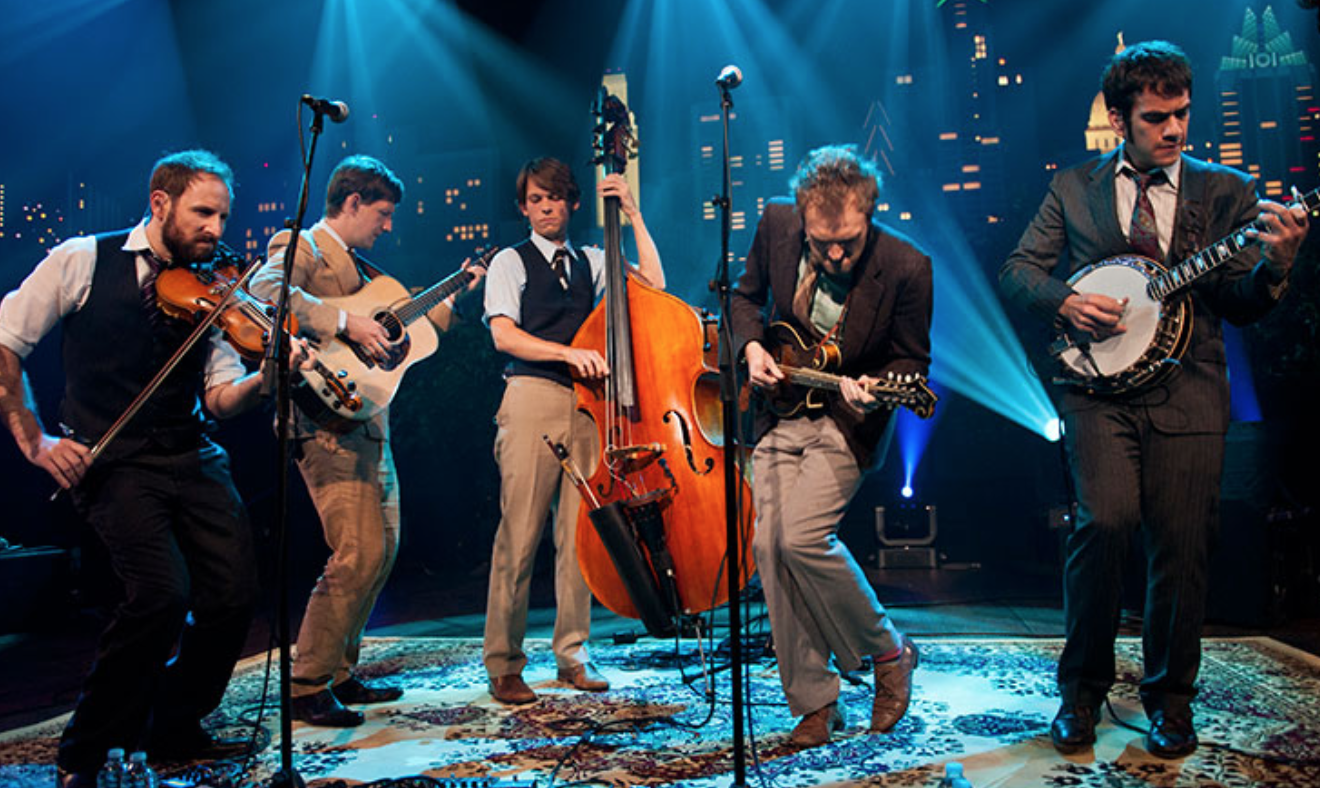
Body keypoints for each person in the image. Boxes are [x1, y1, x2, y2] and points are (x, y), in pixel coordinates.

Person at [999, 41, 1310, 759]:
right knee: (1103, 525)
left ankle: (1171, 700)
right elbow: (1019, 271)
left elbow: (1238, 300)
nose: (1174, 131)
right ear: (1120, 117)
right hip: (1094, 391)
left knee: (1181, 545)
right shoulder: (1072, 187)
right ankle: (1080, 692)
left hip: (1190, 391)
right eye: (1156, 118)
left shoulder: (1223, 191)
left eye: (1182, 115)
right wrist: (1066, 300)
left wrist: (1276, 266)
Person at [0, 150, 303, 786]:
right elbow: (6, 343)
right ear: (160, 203)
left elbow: (221, 395)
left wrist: (268, 376)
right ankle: (85, 749)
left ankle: (175, 723)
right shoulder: (82, 259)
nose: (216, 229)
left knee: (232, 594)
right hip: (113, 458)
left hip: (191, 451)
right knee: (162, 594)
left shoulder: (216, 291)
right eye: (203, 213)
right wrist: (35, 441)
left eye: (223, 215)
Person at [249, 154, 484, 727]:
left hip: (367, 420)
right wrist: (343, 323)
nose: (388, 226)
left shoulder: (358, 266)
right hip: (323, 424)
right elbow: (263, 292)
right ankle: (306, 684)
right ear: (351, 203)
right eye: (381, 213)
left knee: (380, 551)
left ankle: (337, 672)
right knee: (356, 552)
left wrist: (462, 290)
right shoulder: (302, 244)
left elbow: (417, 328)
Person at [728, 145, 929, 747]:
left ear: (870, 215)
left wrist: (876, 395)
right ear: (802, 220)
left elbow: (911, 362)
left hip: (846, 421)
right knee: (768, 546)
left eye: (848, 241)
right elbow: (743, 299)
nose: (836, 254)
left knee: (801, 537)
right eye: (822, 243)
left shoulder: (907, 267)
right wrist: (752, 348)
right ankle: (815, 702)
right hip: (777, 412)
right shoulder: (776, 224)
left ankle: (888, 651)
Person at [481, 157, 664, 704]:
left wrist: (631, 213)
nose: (545, 208)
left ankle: (573, 653)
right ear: (523, 208)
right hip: (532, 397)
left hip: (587, 406)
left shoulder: (591, 259)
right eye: (535, 200)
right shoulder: (508, 262)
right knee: (519, 536)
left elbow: (654, 284)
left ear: (573, 203)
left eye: (554, 199)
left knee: (578, 540)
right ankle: (504, 662)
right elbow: (504, 337)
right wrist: (569, 353)